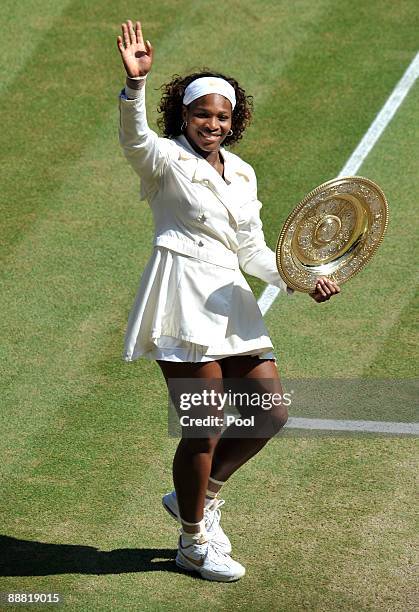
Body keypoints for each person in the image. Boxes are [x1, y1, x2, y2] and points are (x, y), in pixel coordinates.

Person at [116, 19, 340, 582]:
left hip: (230, 298)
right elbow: (134, 140)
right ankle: (192, 543)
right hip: (181, 296)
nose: (212, 125)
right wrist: (135, 87)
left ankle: (200, 494)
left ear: (234, 121)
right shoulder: (164, 159)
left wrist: (299, 278)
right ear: (183, 117)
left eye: (223, 116)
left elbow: (253, 248)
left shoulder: (242, 173)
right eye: (202, 115)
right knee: (206, 421)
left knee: (271, 410)